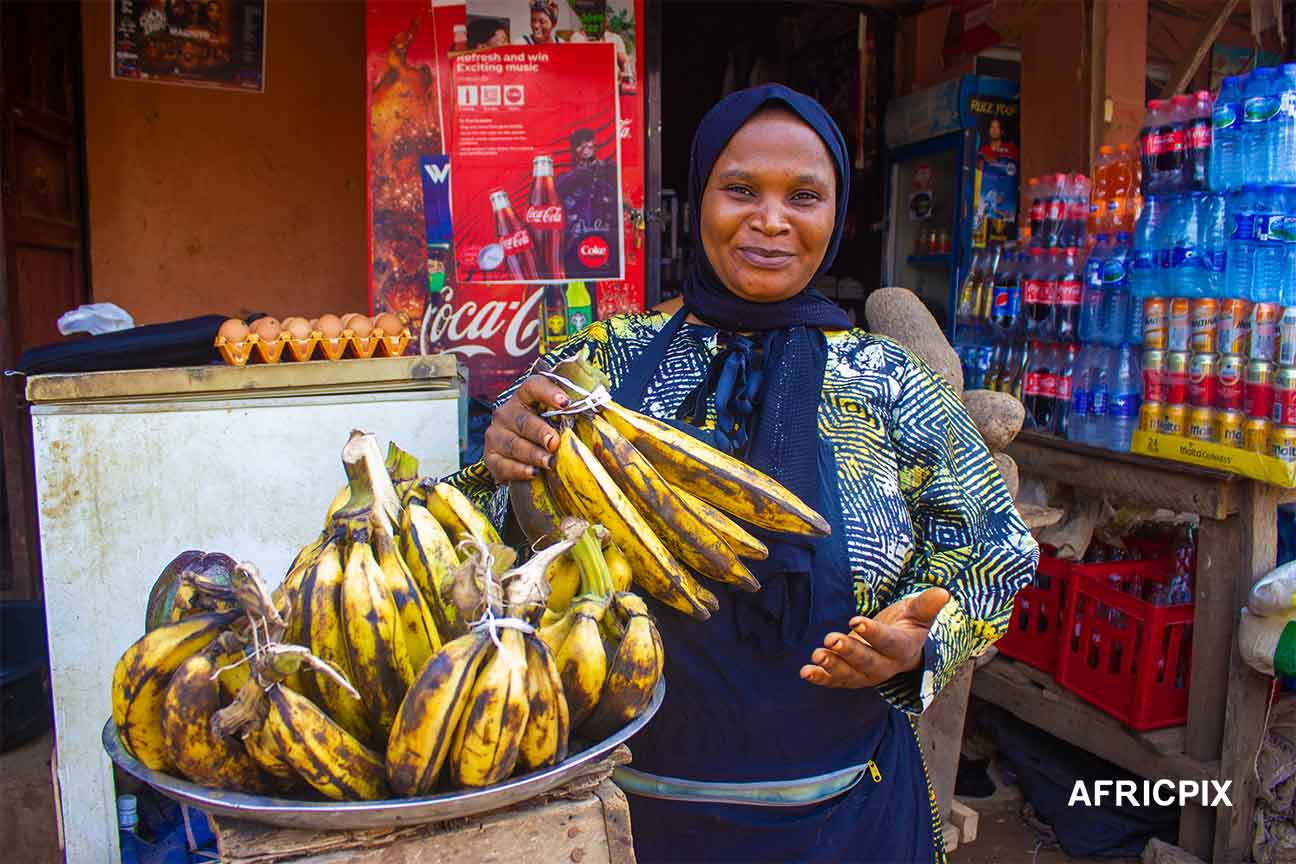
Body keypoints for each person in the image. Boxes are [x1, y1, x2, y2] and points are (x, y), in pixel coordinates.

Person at [454, 84, 1036, 862]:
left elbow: (995, 551)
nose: (771, 220)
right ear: (699, 199)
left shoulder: (885, 378)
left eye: (804, 195)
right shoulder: (603, 362)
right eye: (740, 190)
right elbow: (478, 543)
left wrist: (922, 638)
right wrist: (504, 464)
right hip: (618, 819)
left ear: (836, 215)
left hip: (844, 818)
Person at [556, 129, 618, 275]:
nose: (585, 149)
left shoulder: (609, 169)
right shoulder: (566, 177)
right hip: (576, 237)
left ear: (595, 146)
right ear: (574, 149)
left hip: (604, 236)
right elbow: (557, 197)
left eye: (588, 145)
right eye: (580, 145)